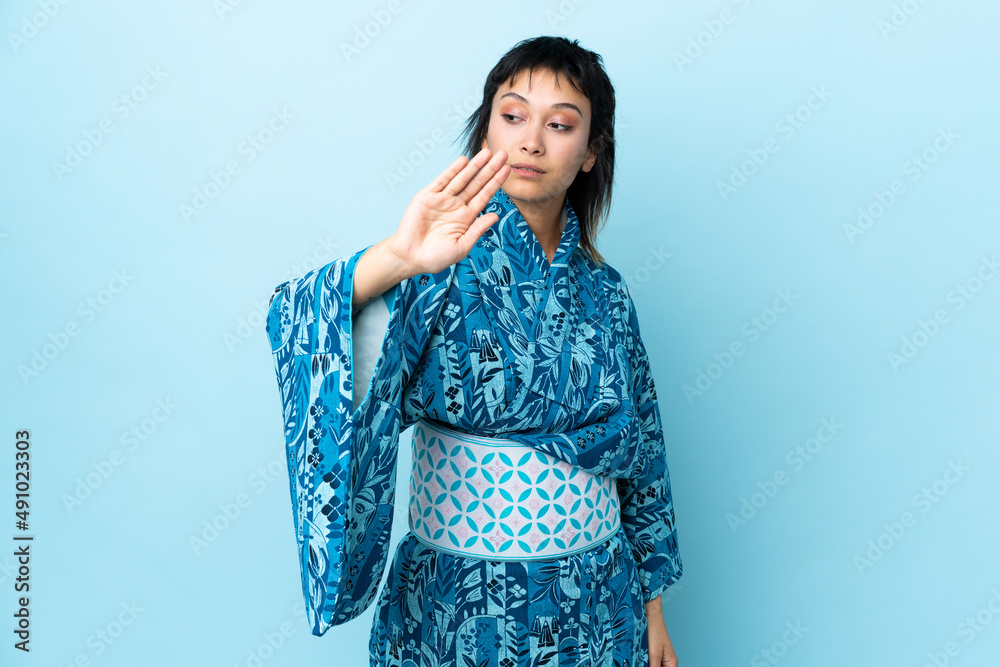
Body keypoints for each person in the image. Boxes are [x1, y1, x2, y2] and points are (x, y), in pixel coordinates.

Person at [264, 36, 682, 667]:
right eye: (512, 116)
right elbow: (296, 319)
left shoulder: (608, 293)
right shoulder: (433, 267)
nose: (531, 141)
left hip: (597, 604)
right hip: (455, 605)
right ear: (486, 131)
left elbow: (643, 454)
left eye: (560, 125)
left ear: (591, 152)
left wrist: (653, 611)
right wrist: (396, 259)